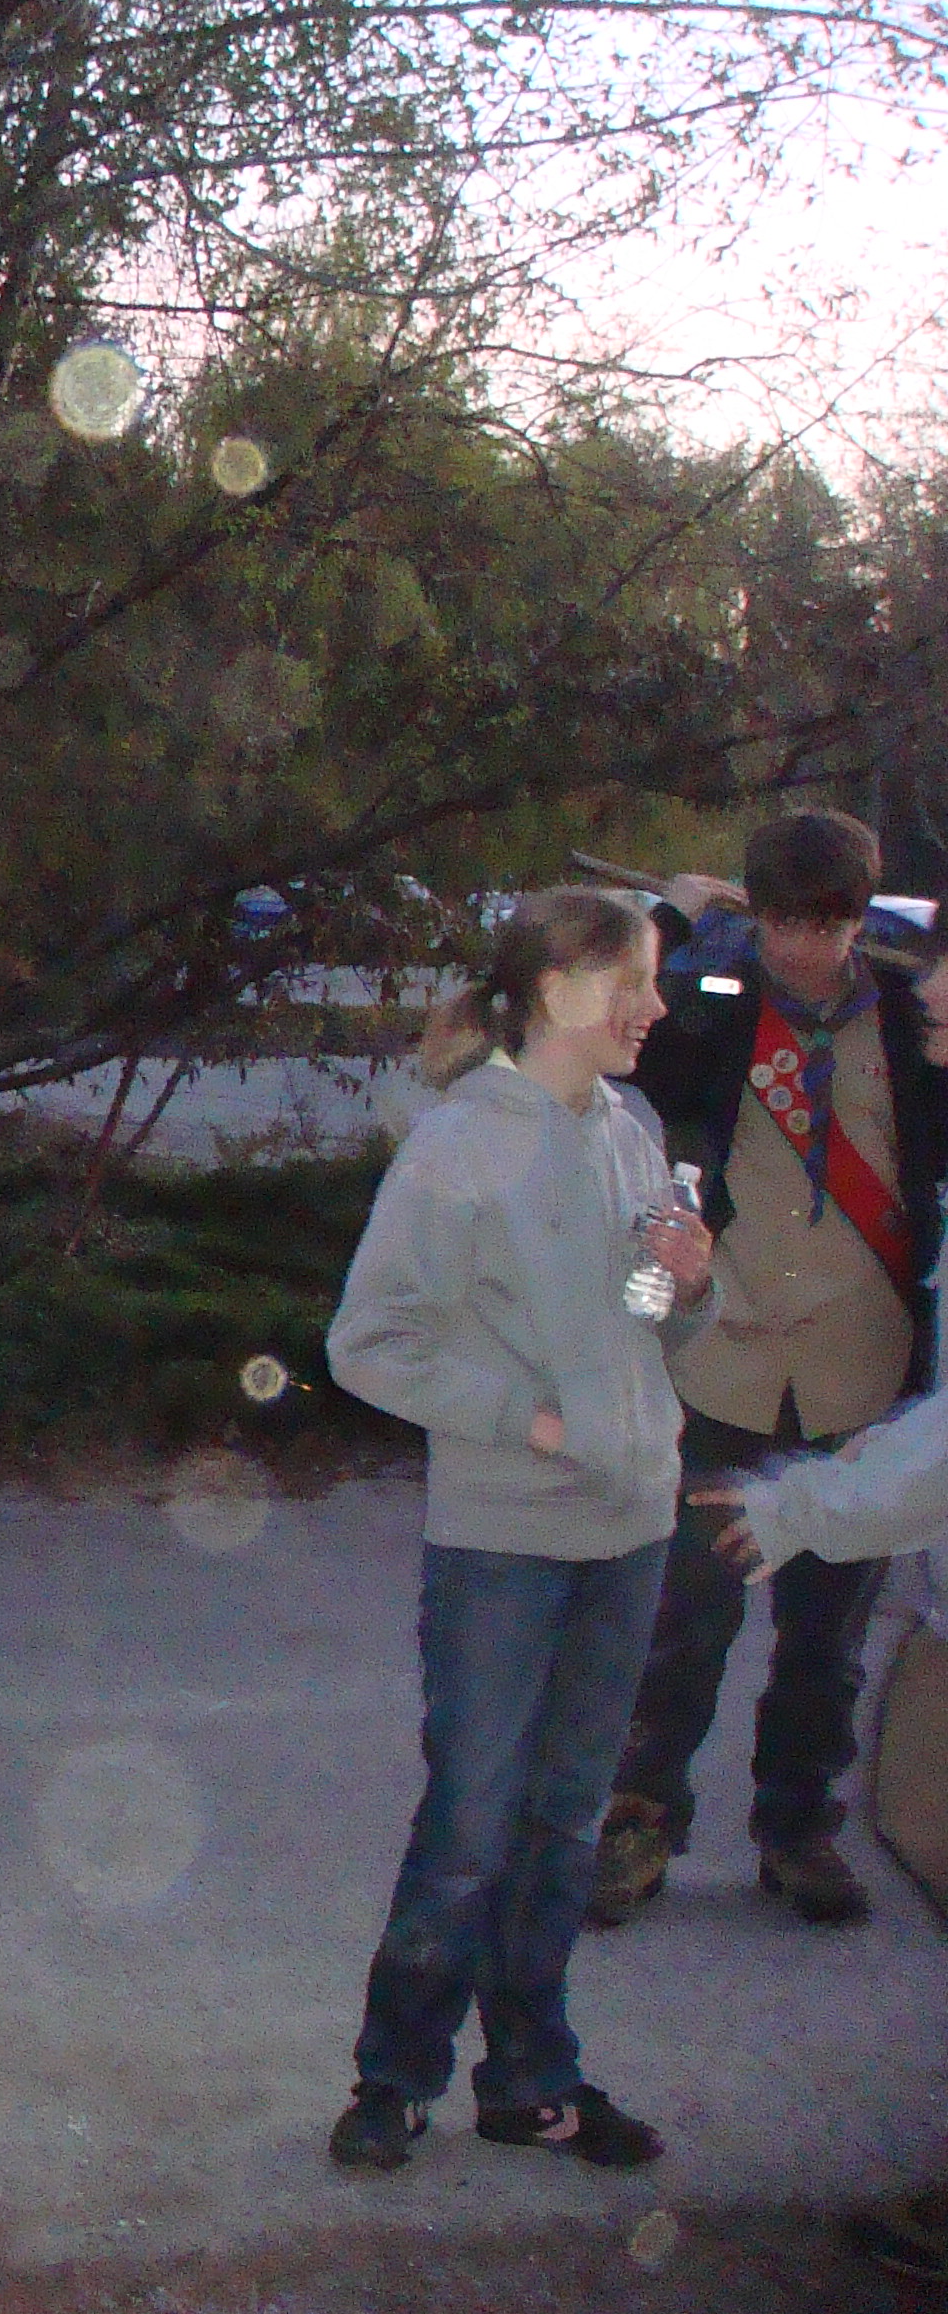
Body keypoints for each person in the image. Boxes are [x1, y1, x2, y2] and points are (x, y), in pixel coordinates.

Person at [320, 887, 715, 2174]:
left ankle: (532, 2080)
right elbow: (368, 1344)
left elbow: (647, 1324)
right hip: (503, 1540)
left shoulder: (632, 1130)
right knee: (472, 1826)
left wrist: (689, 1285)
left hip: (631, 1527)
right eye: (634, 983)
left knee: (564, 1825)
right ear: (555, 990)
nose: (656, 1008)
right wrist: (527, 1423)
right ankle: (395, 2077)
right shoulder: (458, 1147)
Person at [588, 812, 948, 1928]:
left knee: (827, 1640)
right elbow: (596, 1017)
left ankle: (799, 1830)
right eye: (783, 922)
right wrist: (671, 915)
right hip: (727, 1358)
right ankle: (639, 1819)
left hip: (862, 1359)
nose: (802, 948)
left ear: (860, 915)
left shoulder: (912, 1014)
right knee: (683, 1623)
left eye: (827, 925)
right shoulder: (712, 1002)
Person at [684, 933, 948, 2279]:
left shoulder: (897, 1049)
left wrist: (802, 1509)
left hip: (860, 1437)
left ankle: (796, 1827)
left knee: (851, 1692)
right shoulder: (729, 1015)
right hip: (759, 1391)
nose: (929, 1003)